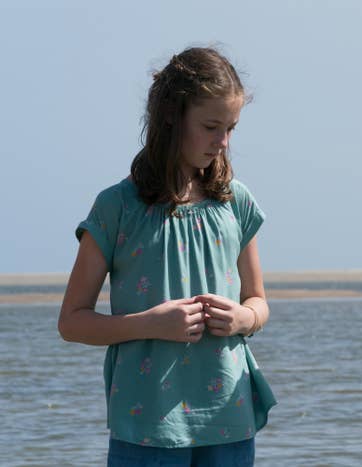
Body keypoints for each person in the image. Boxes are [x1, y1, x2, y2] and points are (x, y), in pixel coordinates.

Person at [58, 47, 276, 466]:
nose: (223, 141)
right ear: (172, 117)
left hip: (228, 416)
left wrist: (243, 318)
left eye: (230, 127)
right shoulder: (116, 208)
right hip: (148, 424)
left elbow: (258, 302)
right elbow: (71, 322)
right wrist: (150, 324)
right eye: (211, 126)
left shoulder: (235, 200)